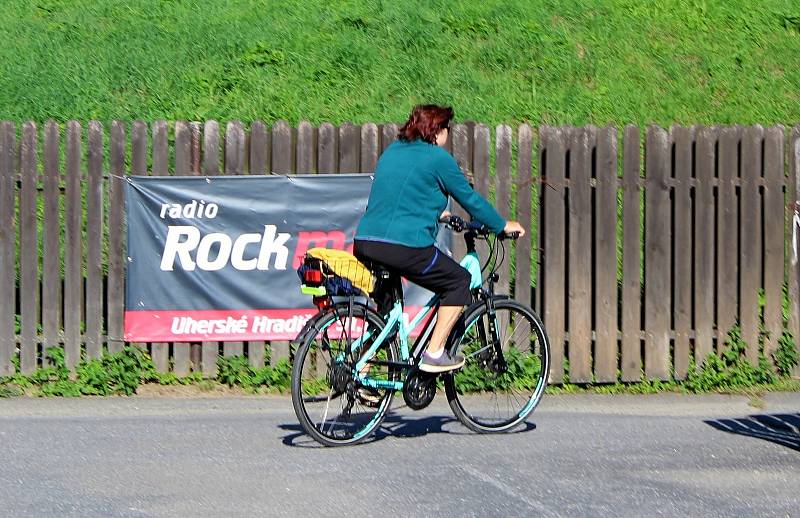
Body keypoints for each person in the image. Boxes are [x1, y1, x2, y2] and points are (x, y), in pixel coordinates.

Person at [353, 104, 526, 373]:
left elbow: (398, 195)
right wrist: (501, 225)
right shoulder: (437, 158)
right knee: (459, 281)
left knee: (388, 316)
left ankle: (361, 372)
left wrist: (438, 213)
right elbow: (470, 200)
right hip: (403, 247)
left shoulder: (392, 152)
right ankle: (434, 353)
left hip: (366, 242)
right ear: (437, 131)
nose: (448, 134)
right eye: (447, 128)